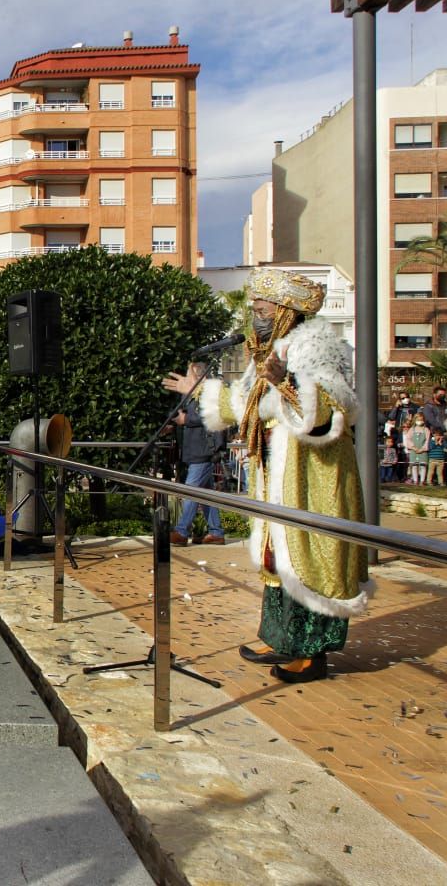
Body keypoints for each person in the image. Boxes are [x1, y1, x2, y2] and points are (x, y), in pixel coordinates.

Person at [164, 268, 369, 683]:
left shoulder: (317, 347)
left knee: (310, 559)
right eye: (254, 309)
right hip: (279, 474)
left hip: (313, 475)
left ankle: (309, 653)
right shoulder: (269, 352)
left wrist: (289, 384)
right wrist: (202, 390)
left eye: (261, 309)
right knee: (279, 557)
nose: (254, 316)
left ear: (285, 311)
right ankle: (281, 639)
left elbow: (329, 412)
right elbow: (244, 406)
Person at [170, 400, 228, 546]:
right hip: (197, 452)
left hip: (203, 452)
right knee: (205, 494)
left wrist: (186, 419)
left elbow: (211, 415)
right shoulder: (190, 396)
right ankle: (216, 533)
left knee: (191, 491)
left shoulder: (204, 394)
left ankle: (182, 531)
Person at [405, 414, 430, 486]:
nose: (420, 421)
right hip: (414, 450)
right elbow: (408, 439)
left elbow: (427, 440)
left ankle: (422, 481)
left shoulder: (426, 429)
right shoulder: (412, 429)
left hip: (423, 451)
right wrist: (413, 447)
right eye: (418, 420)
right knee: (414, 466)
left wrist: (423, 449)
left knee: (423, 466)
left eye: (421, 420)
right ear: (415, 420)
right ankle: (415, 480)